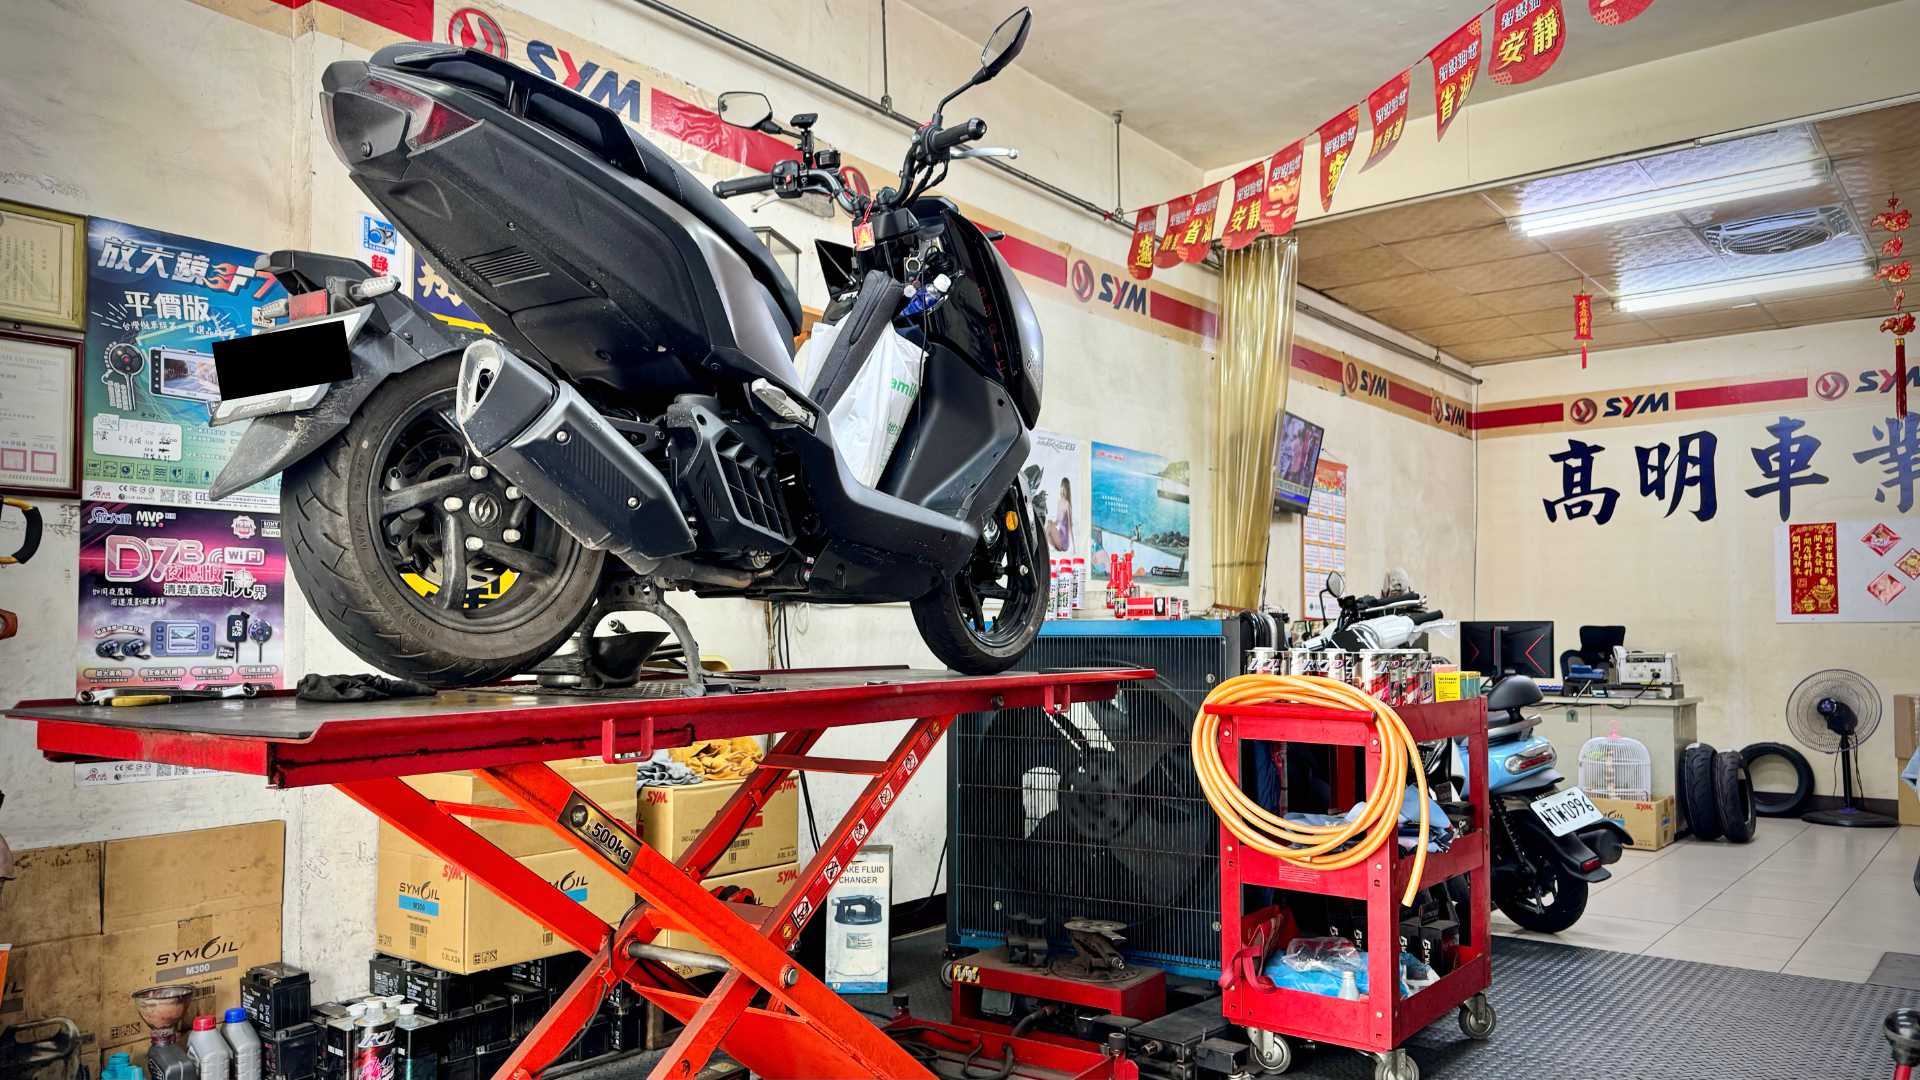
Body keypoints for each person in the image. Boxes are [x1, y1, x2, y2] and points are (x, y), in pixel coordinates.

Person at [1046, 477, 1074, 552]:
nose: (1062, 490)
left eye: (1064, 489)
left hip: (1064, 542)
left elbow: (1070, 526)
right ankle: (1050, 548)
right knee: (1048, 524)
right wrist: (1052, 522)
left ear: (1067, 491)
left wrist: (1074, 547)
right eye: (1061, 488)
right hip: (1059, 538)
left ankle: (1045, 547)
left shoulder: (1067, 504)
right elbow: (1058, 521)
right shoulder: (1059, 502)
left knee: (1049, 527)